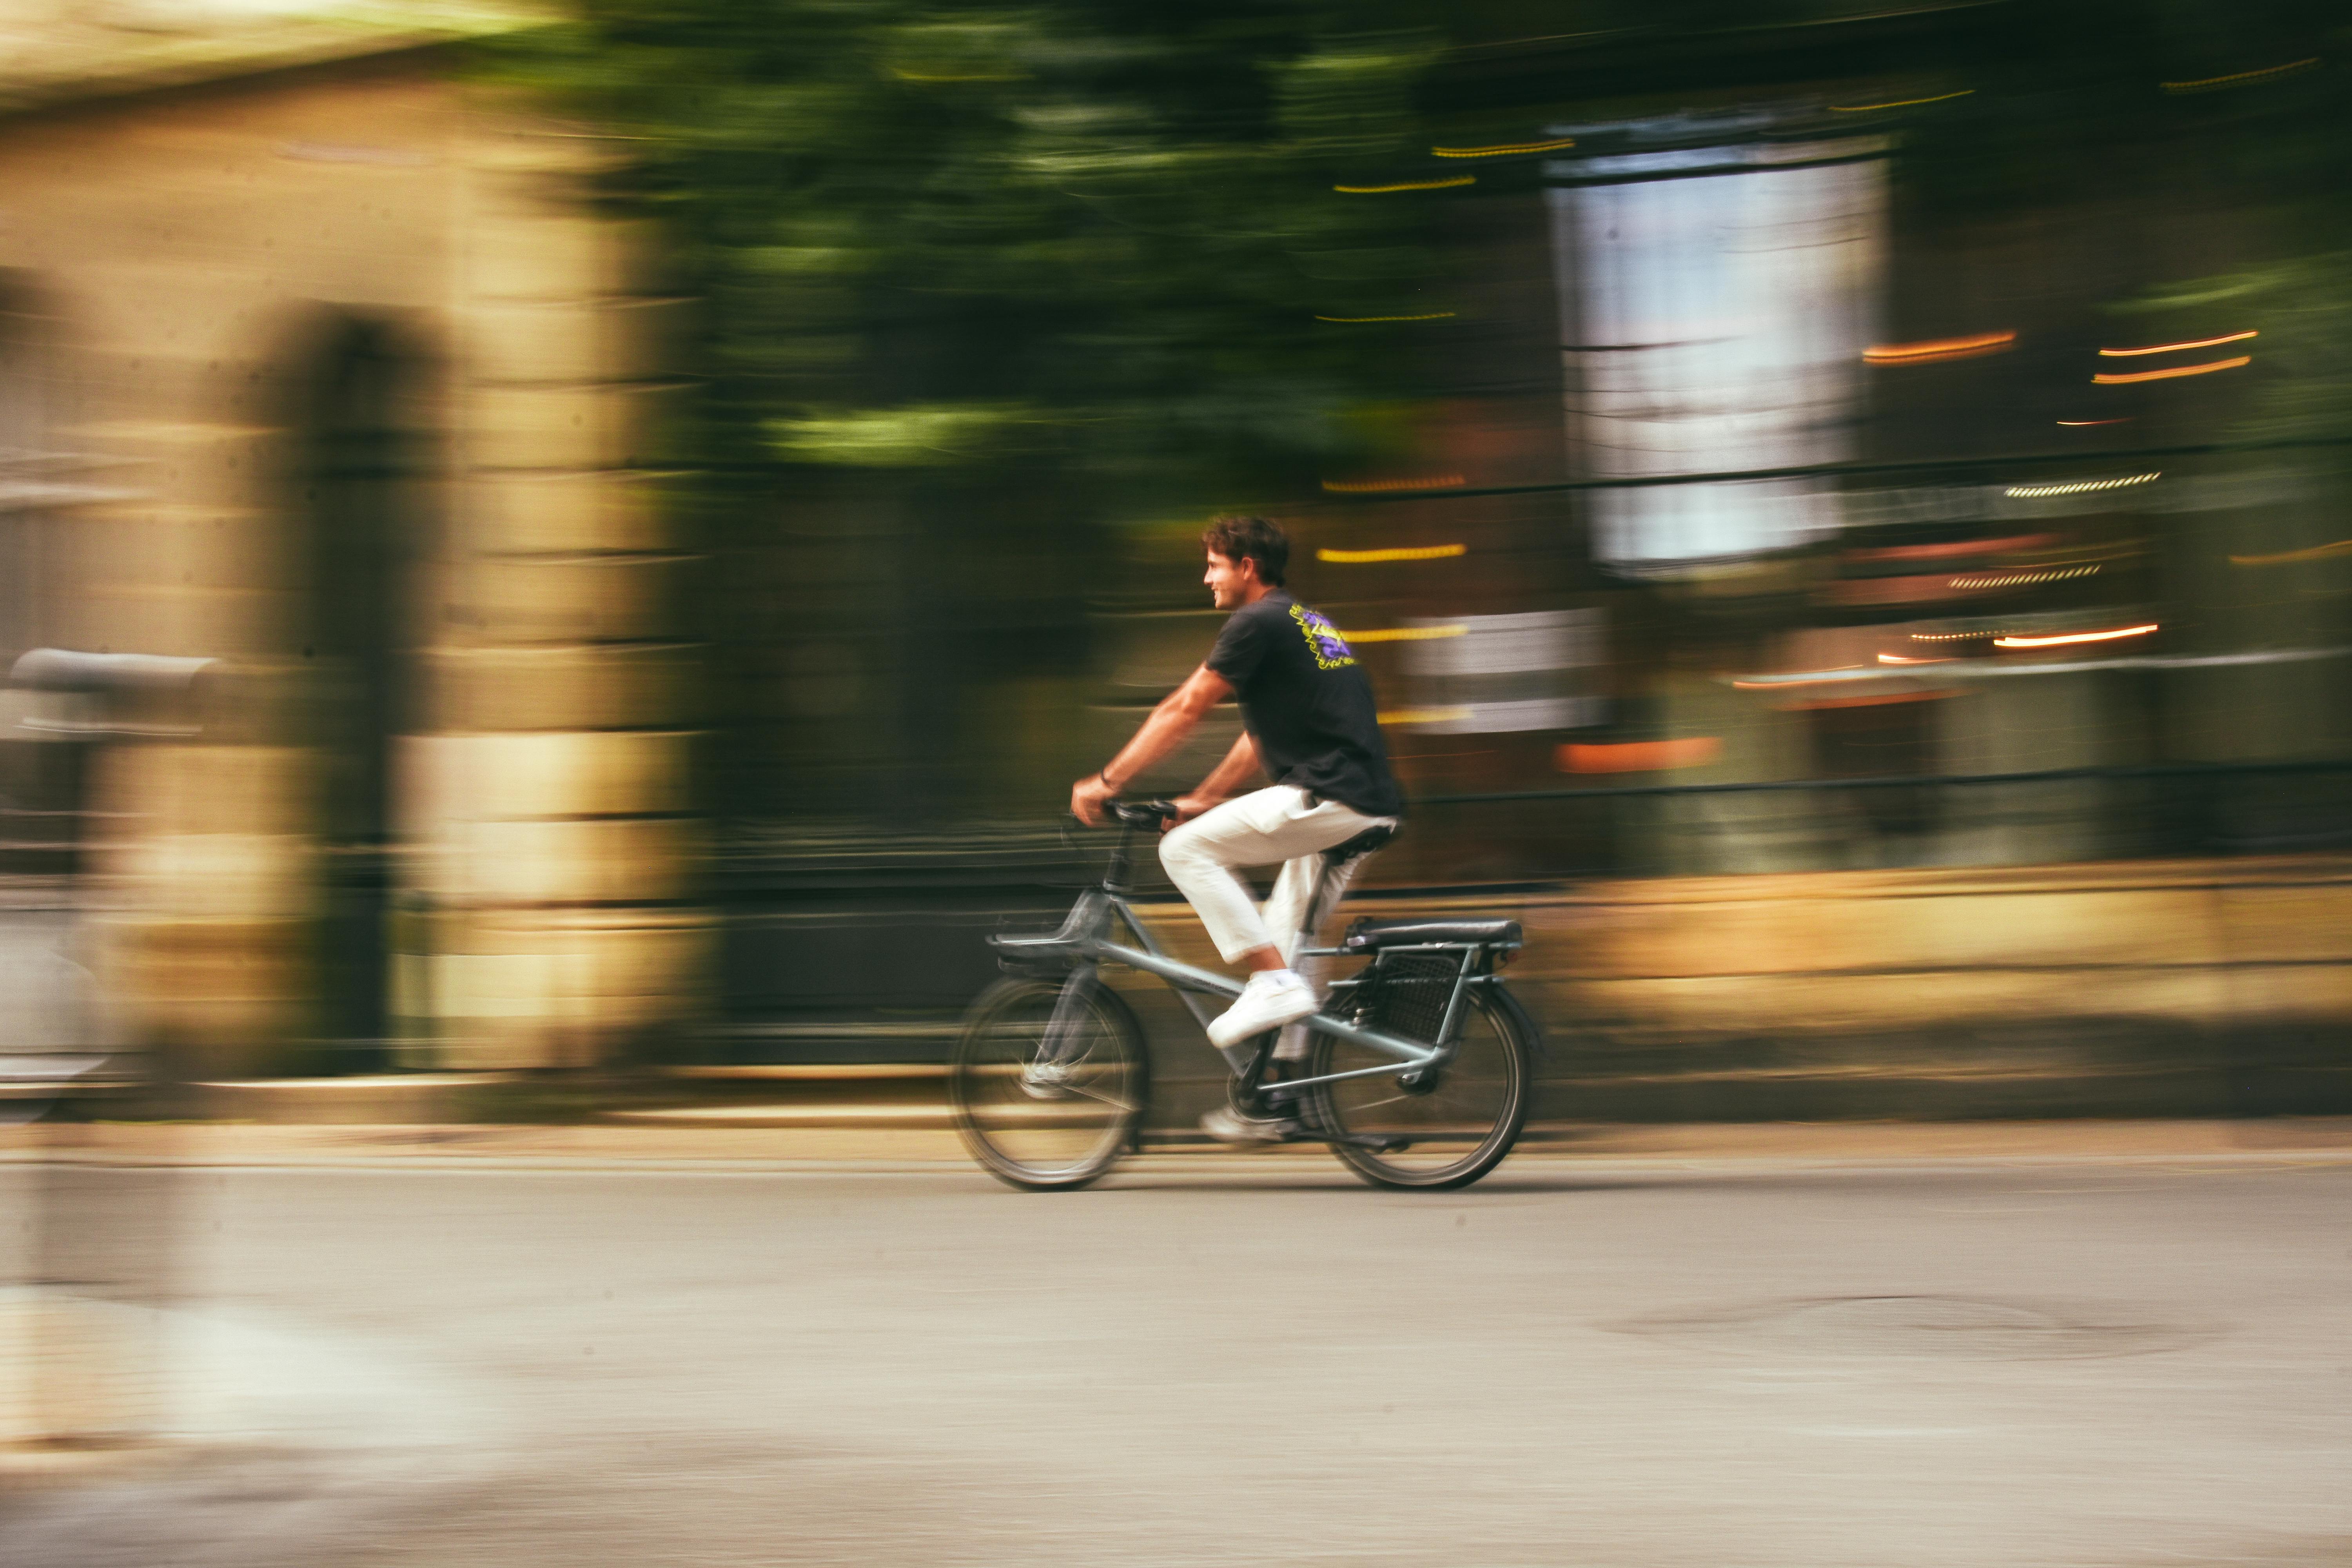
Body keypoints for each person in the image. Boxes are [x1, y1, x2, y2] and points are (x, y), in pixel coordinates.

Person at [1069, 514, 1405, 1143]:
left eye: (1215, 565)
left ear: (1247, 567)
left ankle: (1271, 984)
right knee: (1285, 931)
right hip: (1369, 803)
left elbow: (1186, 707)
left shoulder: (1255, 621)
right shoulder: (1305, 621)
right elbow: (1261, 736)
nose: (1206, 578)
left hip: (1329, 797)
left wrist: (1109, 781)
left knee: (1184, 849)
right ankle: (1280, 1096)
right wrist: (1203, 796)